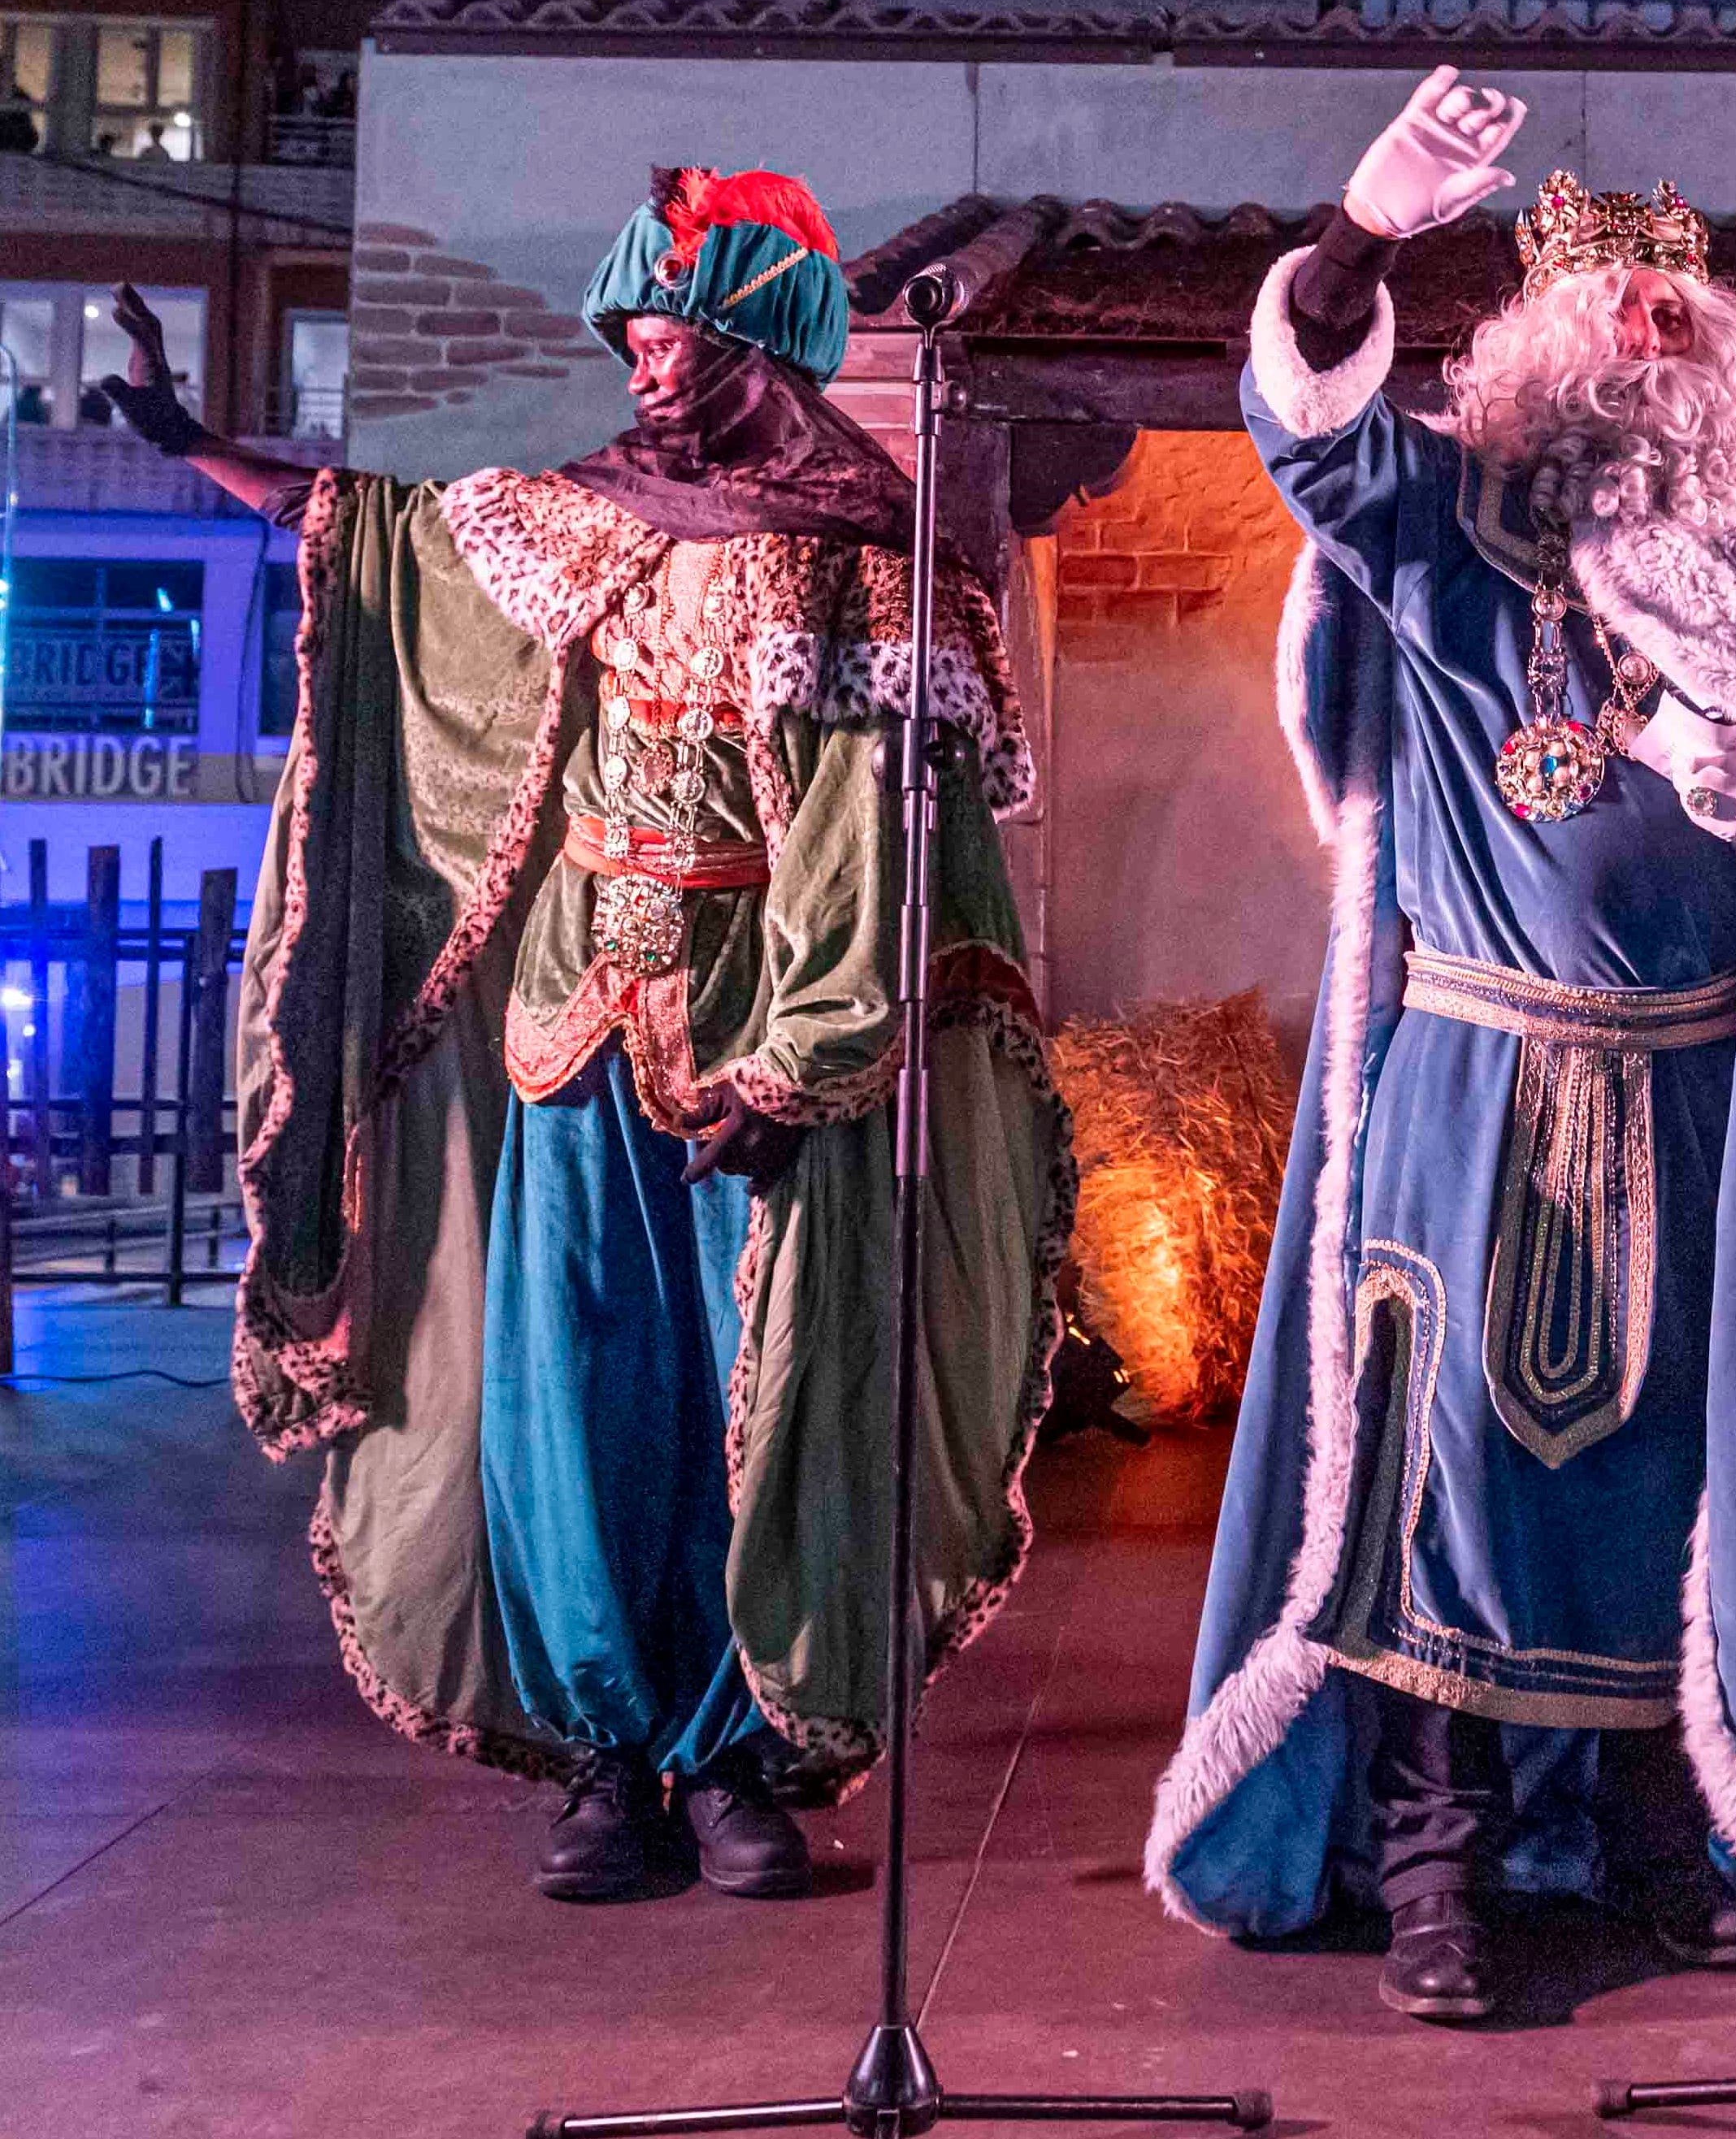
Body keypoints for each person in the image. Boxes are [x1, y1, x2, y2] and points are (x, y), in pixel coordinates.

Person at [94, 167, 1070, 1903]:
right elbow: (364, 530)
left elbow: (870, 837)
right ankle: (609, 1755)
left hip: (760, 1054)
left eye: (674, 328)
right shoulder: (579, 520)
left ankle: (738, 1753)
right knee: (572, 1395)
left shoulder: (862, 564)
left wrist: (812, 1055)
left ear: (760, 337)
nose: (641, 361)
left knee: (748, 1405)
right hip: (566, 1033)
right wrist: (183, 430)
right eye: (628, 331)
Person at [1144, 67, 1736, 2020]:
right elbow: (1302, 414)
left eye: (1679, 316)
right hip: (1470, 1093)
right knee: (1444, 1486)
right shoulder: (1442, 520)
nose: (1648, 339)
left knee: (1668, 1482)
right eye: (1614, 309)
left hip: (1688, 1094)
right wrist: (1360, 233)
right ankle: (1438, 1877)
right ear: (1535, 339)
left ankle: (1664, 1849)